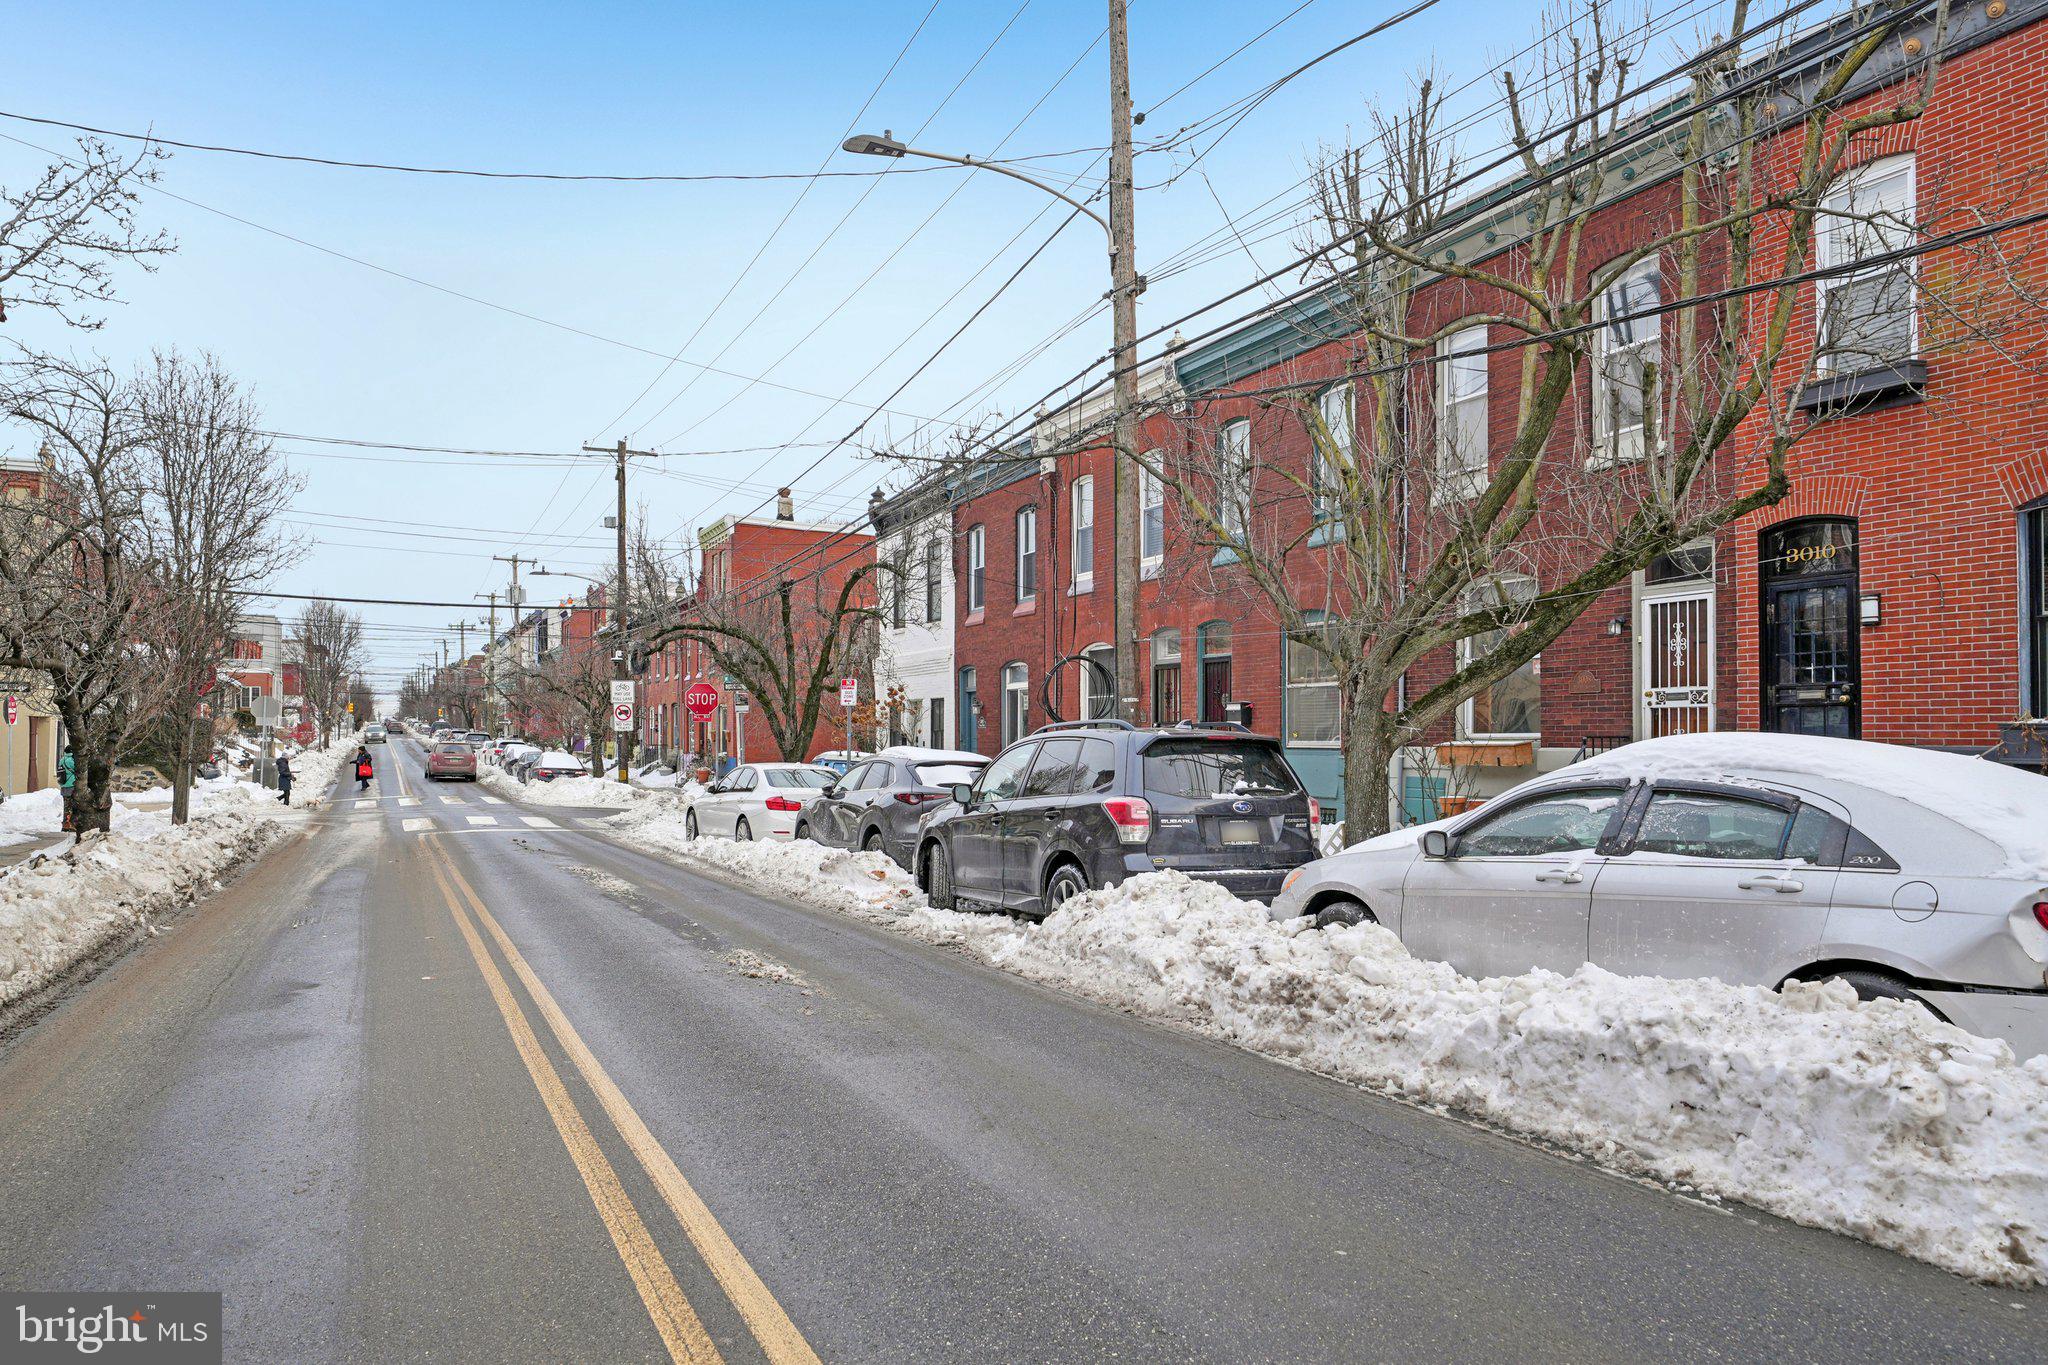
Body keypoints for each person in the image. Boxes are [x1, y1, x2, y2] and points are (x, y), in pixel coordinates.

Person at [58, 744, 77, 832]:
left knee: (66, 807)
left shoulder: (62, 760)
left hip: (64, 785)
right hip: (71, 785)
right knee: (73, 807)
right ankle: (72, 825)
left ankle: (65, 825)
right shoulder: (72, 760)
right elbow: (78, 769)